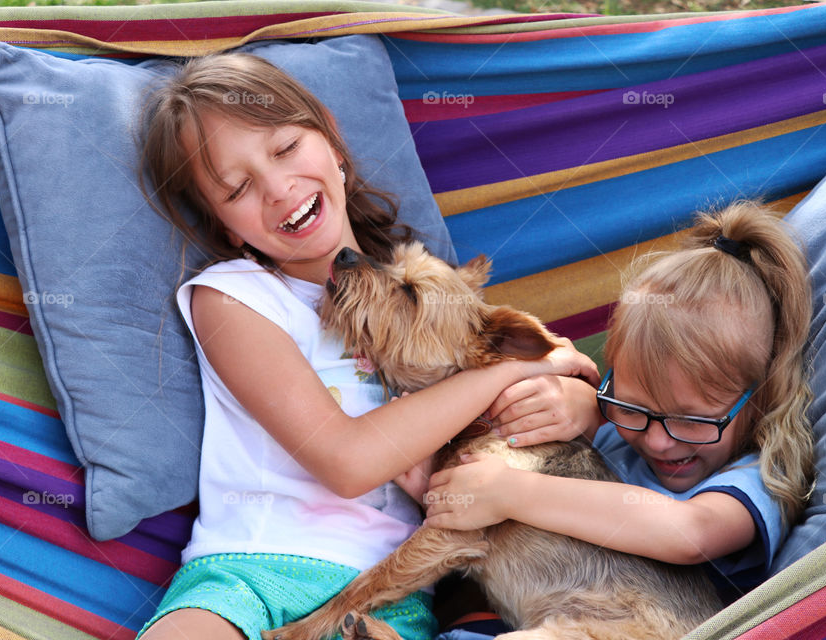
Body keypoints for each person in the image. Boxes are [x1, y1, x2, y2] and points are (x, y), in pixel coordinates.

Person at [134, 53, 599, 640]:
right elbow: (348, 462)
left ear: (333, 142)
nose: (279, 189)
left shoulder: (421, 304)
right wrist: (505, 372)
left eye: (284, 150)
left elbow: (534, 427)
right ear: (228, 227)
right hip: (247, 571)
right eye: (238, 187)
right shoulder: (234, 297)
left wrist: (576, 400)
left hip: (390, 594)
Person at [425, 201, 815, 603]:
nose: (659, 442)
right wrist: (587, 404)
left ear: (760, 398)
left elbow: (690, 531)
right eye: (631, 407)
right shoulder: (616, 435)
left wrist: (510, 492)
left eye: (692, 420)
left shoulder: (751, 480)